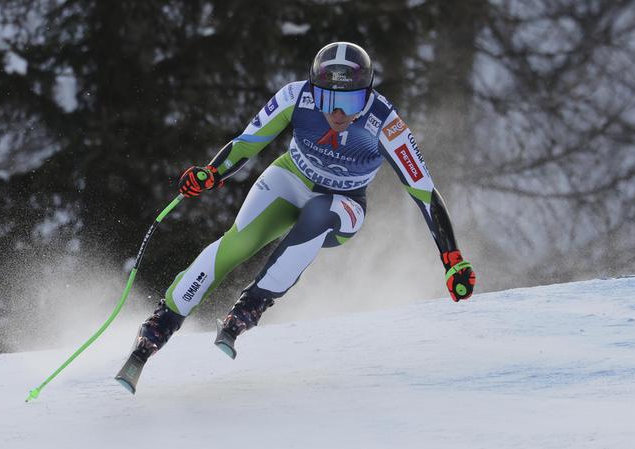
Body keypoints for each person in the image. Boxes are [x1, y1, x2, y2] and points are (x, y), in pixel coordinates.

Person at [131, 41, 476, 361]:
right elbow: (247, 143)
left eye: (351, 102)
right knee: (238, 242)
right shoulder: (295, 97)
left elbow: (424, 191)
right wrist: (211, 173)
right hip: (290, 178)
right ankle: (164, 319)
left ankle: (252, 304)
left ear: (367, 97)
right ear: (314, 91)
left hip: (344, 203)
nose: (338, 114)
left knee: (317, 213)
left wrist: (452, 257)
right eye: (328, 100)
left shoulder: (385, 123)